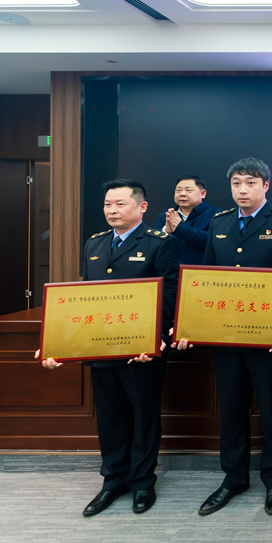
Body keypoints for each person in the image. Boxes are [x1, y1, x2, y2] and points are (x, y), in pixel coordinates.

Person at [37, 180, 183, 517]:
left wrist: (156, 338)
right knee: (110, 416)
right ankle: (113, 479)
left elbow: (171, 294)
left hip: (141, 349)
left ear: (141, 207)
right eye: (107, 205)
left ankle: (143, 481)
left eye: (119, 204)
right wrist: (59, 342)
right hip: (101, 346)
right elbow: (84, 296)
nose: (112, 211)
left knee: (143, 415)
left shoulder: (161, 243)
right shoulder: (95, 243)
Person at [197, 158, 272, 517]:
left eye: (250, 183)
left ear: (266, 185)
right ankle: (234, 478)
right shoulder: (219, 222)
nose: (242, 190)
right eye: (236, 183)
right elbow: (206, 278)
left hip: (267, 337)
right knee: (231, 408)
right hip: (227, 336)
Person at [152, 175, 217, 265]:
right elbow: (151, 242)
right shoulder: (166, 215)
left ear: (202, 193)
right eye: (178, 190)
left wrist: (179, 227)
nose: (182, 194)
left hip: (198, 271)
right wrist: (165, 231)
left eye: (188, 190)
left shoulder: (215, 214)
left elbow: (213, 241)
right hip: (168, 270)